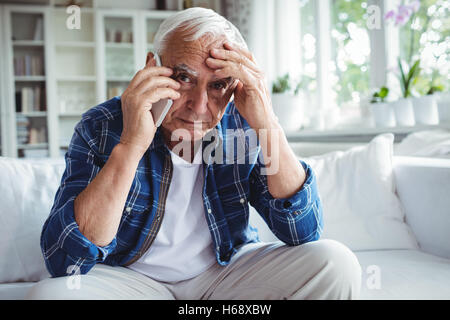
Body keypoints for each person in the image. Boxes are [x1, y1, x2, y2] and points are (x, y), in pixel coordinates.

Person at [27, 7, 361, 300]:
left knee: (336, 264)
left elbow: (302, 232)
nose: (199, 107)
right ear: (151, 66)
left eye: (217, 85)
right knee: (52, 295)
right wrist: (131, 145)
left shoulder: (243, 124)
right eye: (184, 78)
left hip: (224, 271)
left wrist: (267, 121)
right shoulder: (101, 125)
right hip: (131, 278)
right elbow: (65, 259)